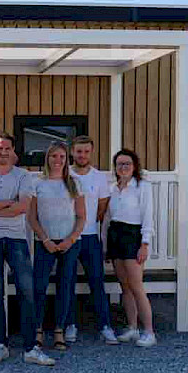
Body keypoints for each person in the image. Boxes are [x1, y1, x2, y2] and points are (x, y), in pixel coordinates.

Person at [0, 134, 54, 366]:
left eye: (7, 148)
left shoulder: (23, 176)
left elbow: (22, 207)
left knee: (26, 291)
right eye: (0, 148)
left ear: (13, 151)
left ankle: (30, 348)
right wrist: (7, 203)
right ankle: (1, 345)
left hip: (16, 238)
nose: (3, 152)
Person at [27, 142, 86, 352]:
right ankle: (38, 329)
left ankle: (59, 329)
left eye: (62, 156)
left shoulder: (74, 183)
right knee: (39, 286)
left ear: (66, 159)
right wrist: (45, 240)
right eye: (54, 156)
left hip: (70, 243)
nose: (58, 160)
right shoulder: (37, 183)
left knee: (65, 286)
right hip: (45, 243)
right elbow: (32, 217)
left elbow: (81, 216)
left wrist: (70, 239)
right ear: (47, 158)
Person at [64, 136, 119, 345]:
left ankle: (105, 326)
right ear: (72, 152)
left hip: (90, 237)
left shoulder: (99, 178)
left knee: (97, 281)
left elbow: (101, 208)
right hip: (68, 236)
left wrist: (87, 224)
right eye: (79, 151)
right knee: (67, 281)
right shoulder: (65, 174)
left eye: (86, 151)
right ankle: (70, 324)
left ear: (91, 152)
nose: (82, 155)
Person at [108, 148, 156, 347]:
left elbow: (148, 216)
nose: (123, 167)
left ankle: (149, 332)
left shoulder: (142, 186)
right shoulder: (113, 188)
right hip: (116, 236)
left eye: (127, 163)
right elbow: (108, 218)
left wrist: (144, 244)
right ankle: (132, 328)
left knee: (136, 286)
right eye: (119, 164)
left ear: (134, 166)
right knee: (125, 286)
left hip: (133, 236)